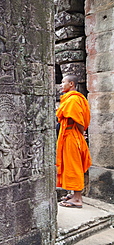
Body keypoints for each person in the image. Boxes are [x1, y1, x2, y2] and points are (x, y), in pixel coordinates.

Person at [56, 75, 92, 208]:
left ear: (71, 84)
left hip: (72, 135)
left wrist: (81, 133)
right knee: (69, 165)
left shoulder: (74, 100)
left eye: (63, 82)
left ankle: (77, 198)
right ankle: (74, 193)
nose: (61, 84)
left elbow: (78, 120)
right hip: (68, 135)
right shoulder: (69, 99)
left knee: (74, 166)